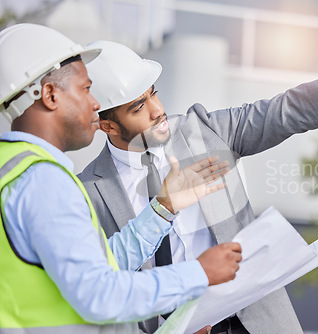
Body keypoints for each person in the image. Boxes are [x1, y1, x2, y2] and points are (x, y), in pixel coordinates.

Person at [79, 26, 318, 334]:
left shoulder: (202, 131)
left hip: (258, 322)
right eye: (139, 107)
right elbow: (105, 285)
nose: (159, 110)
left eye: (153, 94)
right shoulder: (88, 190)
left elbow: (289, 110)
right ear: (108, 125)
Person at [0, 23, 243, 334]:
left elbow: (101, 265)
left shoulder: (15, 168)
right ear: (49, 94)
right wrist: (198, 273)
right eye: (86, 90)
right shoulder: (44, 180)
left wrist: (163, 208)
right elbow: (100, 294)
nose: (96, 104)